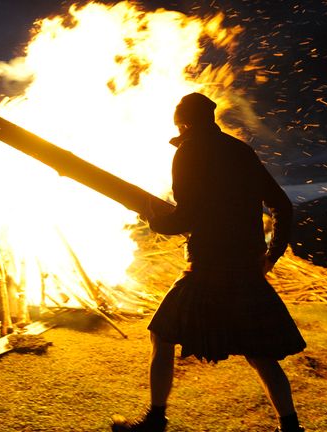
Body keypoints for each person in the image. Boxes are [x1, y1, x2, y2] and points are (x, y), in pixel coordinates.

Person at [111, 93, 307, 432]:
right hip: (246, 269)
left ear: (183, 123)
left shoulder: (188, 153)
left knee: (161, 333)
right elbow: (283, 206)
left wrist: (155, 220)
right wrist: (270, 257)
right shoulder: (240, 151)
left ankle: (156, 421)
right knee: (260, 354)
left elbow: (186, 217)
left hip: (207, 269)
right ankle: (290, 428)